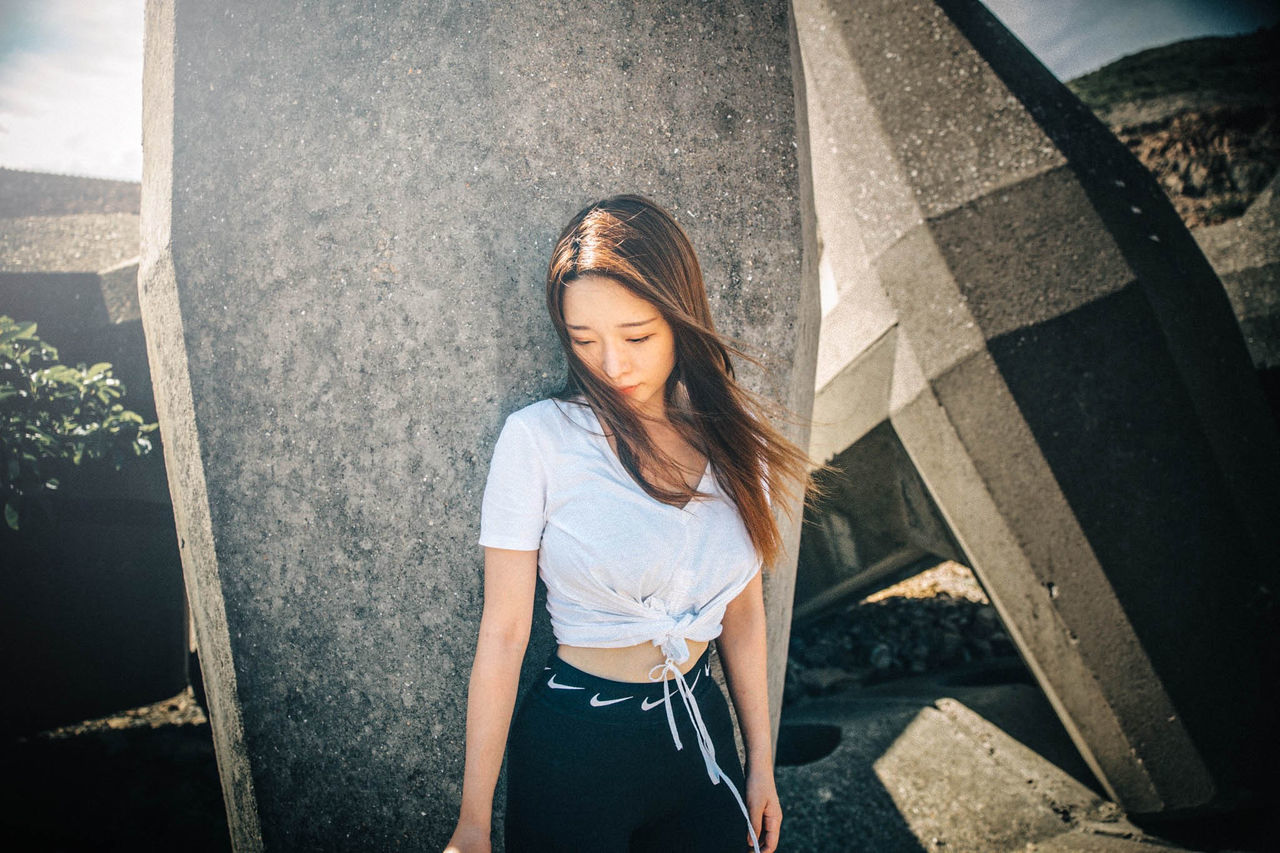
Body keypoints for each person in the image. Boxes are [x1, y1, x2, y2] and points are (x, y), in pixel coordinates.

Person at [444, 194, 811, 853]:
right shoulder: (540, 440)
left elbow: (745, 614)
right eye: (585, 341)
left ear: (680, 317)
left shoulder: (736, 444)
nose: (613, 365)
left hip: (702, 739)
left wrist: (762, 762)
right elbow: (503, 632)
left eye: (637, 336)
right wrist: (473, 821)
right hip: (576, 751)